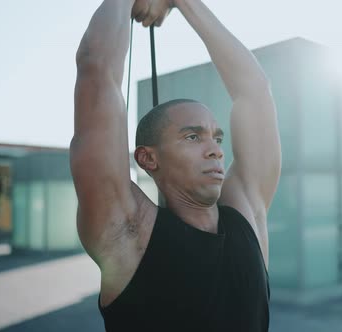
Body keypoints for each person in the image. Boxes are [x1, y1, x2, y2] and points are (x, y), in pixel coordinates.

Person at [71, 0, 281, 330]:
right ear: (147, 158)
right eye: (193, 137)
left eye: (217, 138)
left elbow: (255, 91)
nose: (215, 150)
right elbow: (96, 69)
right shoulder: (127, 233)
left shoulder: (247, 217)